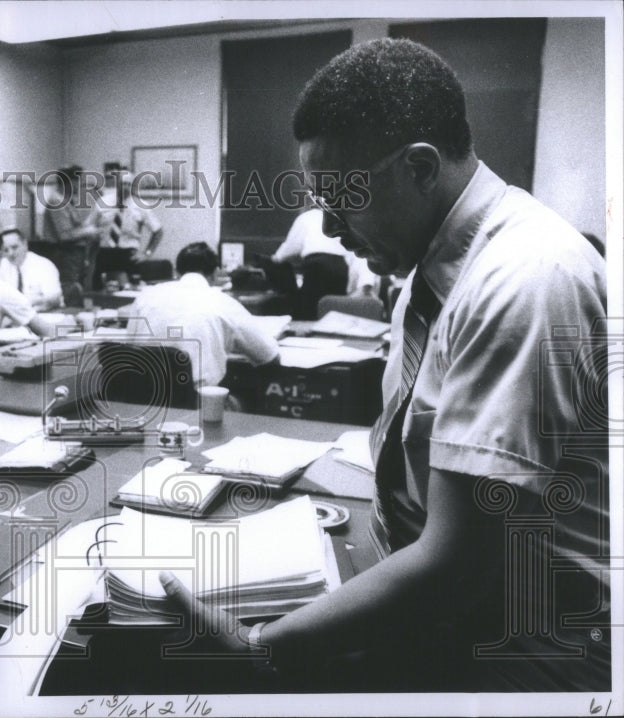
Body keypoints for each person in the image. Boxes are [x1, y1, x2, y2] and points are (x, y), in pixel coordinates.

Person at [158, 38, 609, 692]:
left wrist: (263, 645)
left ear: (422, 168)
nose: (332, 230)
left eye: (344, 200)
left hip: (535, 658)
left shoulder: (524, 280)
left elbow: (457, 566)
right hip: (460, 620)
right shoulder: (428, 274)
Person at [126, 242, 279, 387]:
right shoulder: (224, 303)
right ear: (215, 273)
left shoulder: (145, 296)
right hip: (198, 406)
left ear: (176, 272)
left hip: (144, 401)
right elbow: (270, 357)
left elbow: (130, 346)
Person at [272, 207, 380, 318]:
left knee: (309, 312)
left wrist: (276, 258)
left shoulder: (306, 217)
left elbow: (290, 247)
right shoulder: (341, 218)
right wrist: (364, 284)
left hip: (317, 266)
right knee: (334, 312)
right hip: (341, 267)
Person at [94, 169, 164, 287]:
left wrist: (147, 253)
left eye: (128, 184)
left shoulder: (141, 205)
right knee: (98, 291)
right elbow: (92, 228)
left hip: (127, 255)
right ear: (117, 184)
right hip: (105, 254)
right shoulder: (103, 202)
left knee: (129, 292)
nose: (125, 187)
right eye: (122, 183)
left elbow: (158, 231)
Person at [42, 165, 102, 297]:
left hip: (73, 256)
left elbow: (73, 228)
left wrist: (86, 227)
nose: (79, 186)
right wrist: (88, 231)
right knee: (69, 290)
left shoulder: (67, 201)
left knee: (76, 289)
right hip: (64, 255)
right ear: (68, 182)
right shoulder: (57, 201)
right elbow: (64, 235)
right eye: (78, 182)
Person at [0, 228, 64, 310]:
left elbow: (54, 298)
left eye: (14, 247)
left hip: (46, 313)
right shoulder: (2, 265)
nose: (10, 253)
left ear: (25, 244)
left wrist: (29, 302)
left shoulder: (43, 265)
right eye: (5, 250)